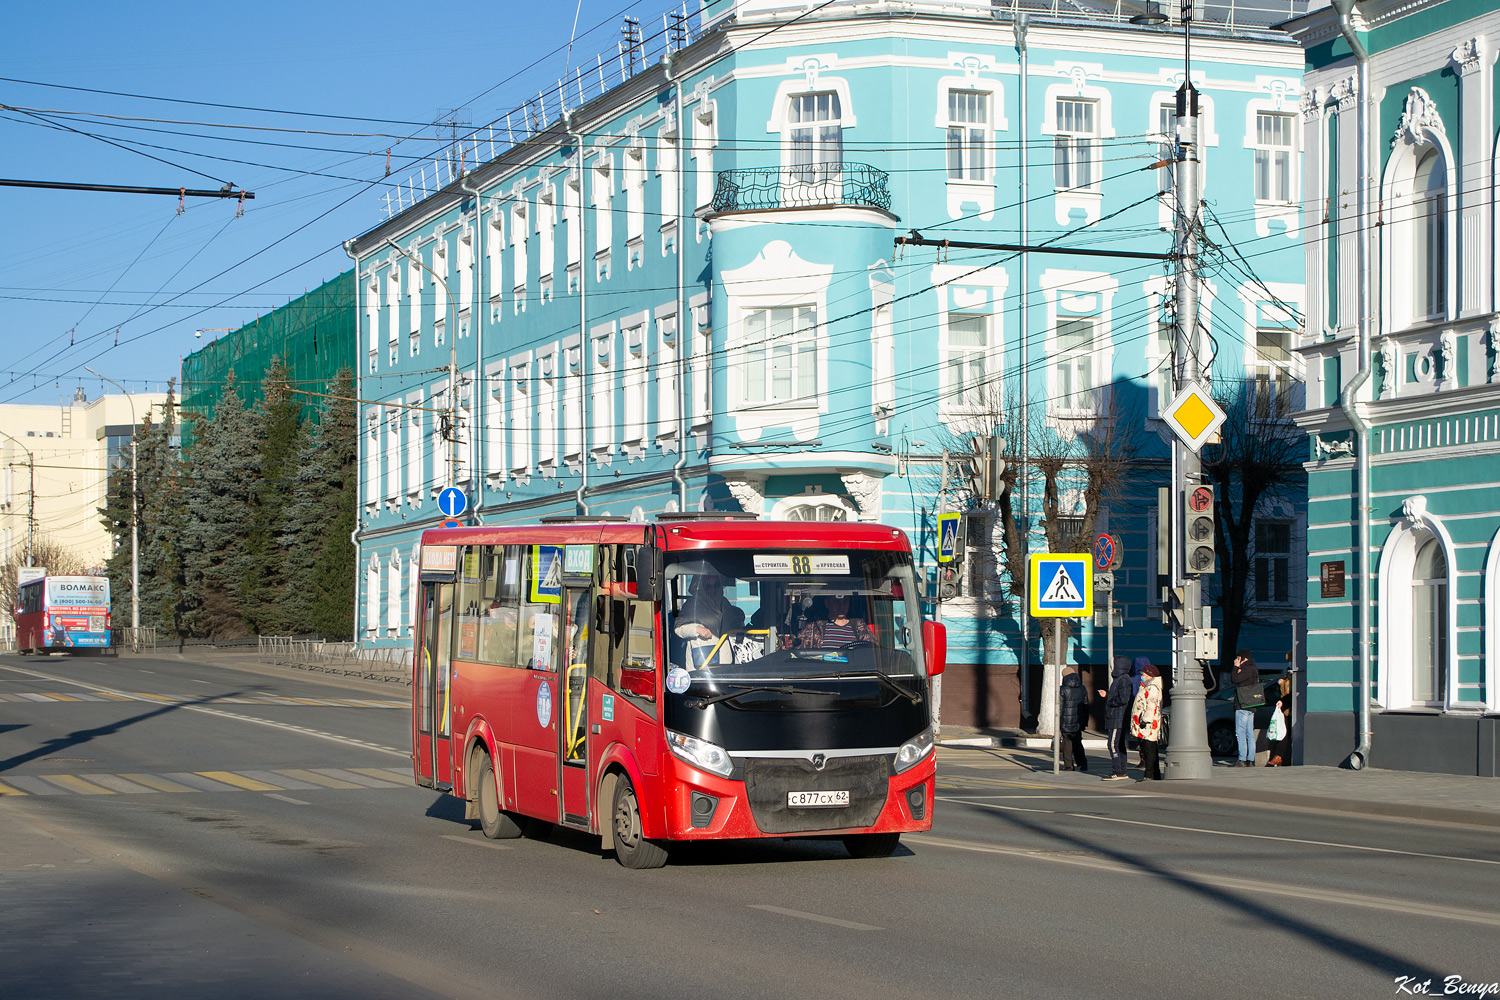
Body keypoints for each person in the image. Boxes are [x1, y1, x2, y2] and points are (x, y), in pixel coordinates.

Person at [674, 573, 746, 668]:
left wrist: (738, 617)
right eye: (708, 586)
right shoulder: (691, 604)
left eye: (716, 585)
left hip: (725, 659)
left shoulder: (724, 603)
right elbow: (679, 628)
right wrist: (697, 629)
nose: (713, 590)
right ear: (700, 586)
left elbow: (732, 623)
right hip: (702, 659)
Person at [1100, 655, 1133, 781]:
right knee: (1119, 744)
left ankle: (1118, 770)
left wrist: (1110, 701)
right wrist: (1107, 695)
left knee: (1112, 744)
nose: (1111, 667)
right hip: (1116, 716)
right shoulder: (1120, 679)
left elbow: (1123, 698)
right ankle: (1122, 770)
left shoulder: (1123, 679)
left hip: (1117, 717)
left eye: (1112, 665)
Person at [796, 595, 873, 648]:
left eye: (845, 601)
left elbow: (872, 650)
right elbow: (799, 649)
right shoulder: (814, 627)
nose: (841, 606)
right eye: (836, 602)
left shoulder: (859, 626)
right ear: (827, 603)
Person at [1229, 649, 1264, 767]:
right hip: (1251, 705)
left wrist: (1235, 667)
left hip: (1242, 705)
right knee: (1250, 733)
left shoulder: (1247, 669)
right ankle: (1251, 759)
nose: (1236, 660)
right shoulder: (1253, 668)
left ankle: (1242, 759)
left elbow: (1234, 679)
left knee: (1240, 733)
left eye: (1238, 658)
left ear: (1242, 658)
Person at [1130, 663, 1164, 781]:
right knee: (1150, 749)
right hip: (1148, 724)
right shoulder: (1146, 686)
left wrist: (1145, 720)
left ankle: (1149, 775)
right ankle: (1155, 774)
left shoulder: (1152, 688)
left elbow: (1151, 705)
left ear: (1150, 675)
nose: (1142, 676)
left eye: (1144, 674)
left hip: (1149, 725)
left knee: (1149, 750)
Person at [1058, 671, 1090, 772]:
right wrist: (1085, 720)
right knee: (1078, 742)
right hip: (1079, 721)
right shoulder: (1082, 688)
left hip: (1065, 721)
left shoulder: (1062, 689)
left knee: (1067, 743)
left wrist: (1058, 722)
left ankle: (1068, 766)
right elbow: (1086, 705)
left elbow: (1060, 707)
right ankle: (1083, 764)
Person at [1267, 670, 1293, 766]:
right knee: (1282, 734)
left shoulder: (1295, 679)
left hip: (1291, 710)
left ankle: (1279, 757)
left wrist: (1282, 701)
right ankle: (1279, 757)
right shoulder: (1287, 678)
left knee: (1284, 735)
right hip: (1285, 711)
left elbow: (1291, 695)